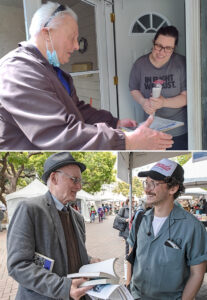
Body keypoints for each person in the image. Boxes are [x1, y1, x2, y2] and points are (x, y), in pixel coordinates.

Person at [0, 2, 173, 151]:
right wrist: (127, 141)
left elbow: (77, 109)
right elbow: (59, 134)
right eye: (72, 38)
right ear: (46, 34)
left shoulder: (53, 70)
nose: (76, 46)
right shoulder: (18, 70)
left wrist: (115, 122)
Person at [7, 152, 101, 300]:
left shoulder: (77, 218)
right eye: (74, 180)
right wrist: (63, 287)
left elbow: (68, 252)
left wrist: (88, 260)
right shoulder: (30, 209)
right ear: (54, 178)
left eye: (80, 181)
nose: (79, 186)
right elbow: (18, 265)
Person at [127, 158, 207, 300]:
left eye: (154, 184)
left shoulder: (192, 227)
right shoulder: (140, 219)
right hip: (136, 296)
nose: (147, 189)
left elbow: (197, 273)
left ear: (173, 188)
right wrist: (128, 286)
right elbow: (131, 256)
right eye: (147, 182)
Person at [129, 25, 187, 150]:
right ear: (153, 42)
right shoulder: (140, 64)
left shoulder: (182, 63)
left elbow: (186, 98)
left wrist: (163, 102)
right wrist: (143, 102)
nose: (161, 52)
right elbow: (134, 89)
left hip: (179, 131)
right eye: (159, 46)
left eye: (168, 48)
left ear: (174, 48)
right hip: (151, 128)